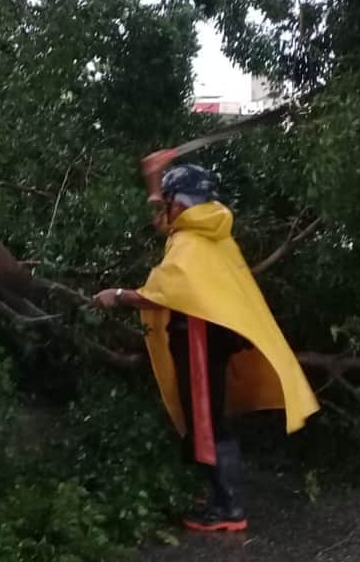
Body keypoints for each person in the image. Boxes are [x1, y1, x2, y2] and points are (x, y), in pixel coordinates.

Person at [92, 159, 320, 532]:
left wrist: (117, 295)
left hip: (197, 339)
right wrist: (154, 177)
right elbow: (165, 224)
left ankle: (228, 508)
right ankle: (220, 494)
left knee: (205, 420)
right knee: (208, 415)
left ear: (180, 205)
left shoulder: (190, 242)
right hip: (209, 339)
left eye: (167, 202)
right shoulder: (210, 229)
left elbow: (164, 293)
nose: (162, 211)